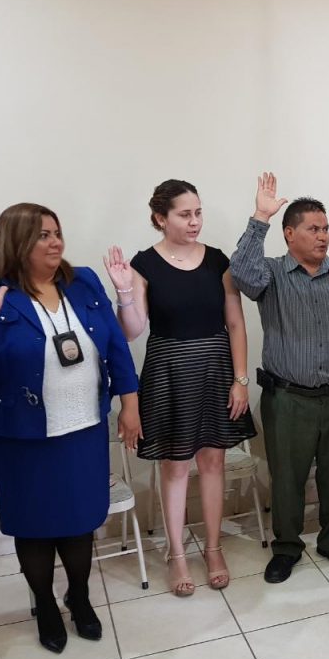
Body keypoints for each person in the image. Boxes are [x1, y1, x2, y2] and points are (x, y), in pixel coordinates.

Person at [0, 203, 140, 654]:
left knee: (80, 520)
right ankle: (44, 603)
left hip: (84, 429)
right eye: (43, 235)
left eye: (57, 232)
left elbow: (116, 345)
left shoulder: (84, 283)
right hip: (23, 436)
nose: (56, 242)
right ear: (16, 241)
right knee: (34, 525)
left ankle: (79, 596)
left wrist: (130, 404)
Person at [231, 172, 329, 583]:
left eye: (326, 228)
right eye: (313, 229)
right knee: (287, 478)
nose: (323, 236)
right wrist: (260, 218)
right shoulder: (270, 275)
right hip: (288, 399)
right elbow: (240, 273)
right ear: (289, 234)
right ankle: (286, 548)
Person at [106, 179, 256, 596]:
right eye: (184, 214)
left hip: (216, 369)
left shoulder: (218, 261)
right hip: (168, 370)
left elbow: (235, 323)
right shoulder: (144, 264)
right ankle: (177, 555)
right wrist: (123, 290)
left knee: (213, 462)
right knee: (174, 466)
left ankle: (213, 549)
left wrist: (240, 380)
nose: (194, 221)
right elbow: (132, 330)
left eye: (198, 212)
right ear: (161, 218)